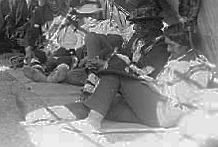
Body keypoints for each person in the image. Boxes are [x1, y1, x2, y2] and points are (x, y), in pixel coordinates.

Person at [63, 23, 216, 133]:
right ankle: (48, 115)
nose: (168, 49)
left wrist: (152, 85)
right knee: (103, 103)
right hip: (155, 110)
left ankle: (93, 122)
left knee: (114, 73)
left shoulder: (197, 66)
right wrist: (147, 81)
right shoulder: (178, 57)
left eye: (172, 45)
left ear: (186, 44)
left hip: (165, 113)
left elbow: (183, 100)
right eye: (168, 44)